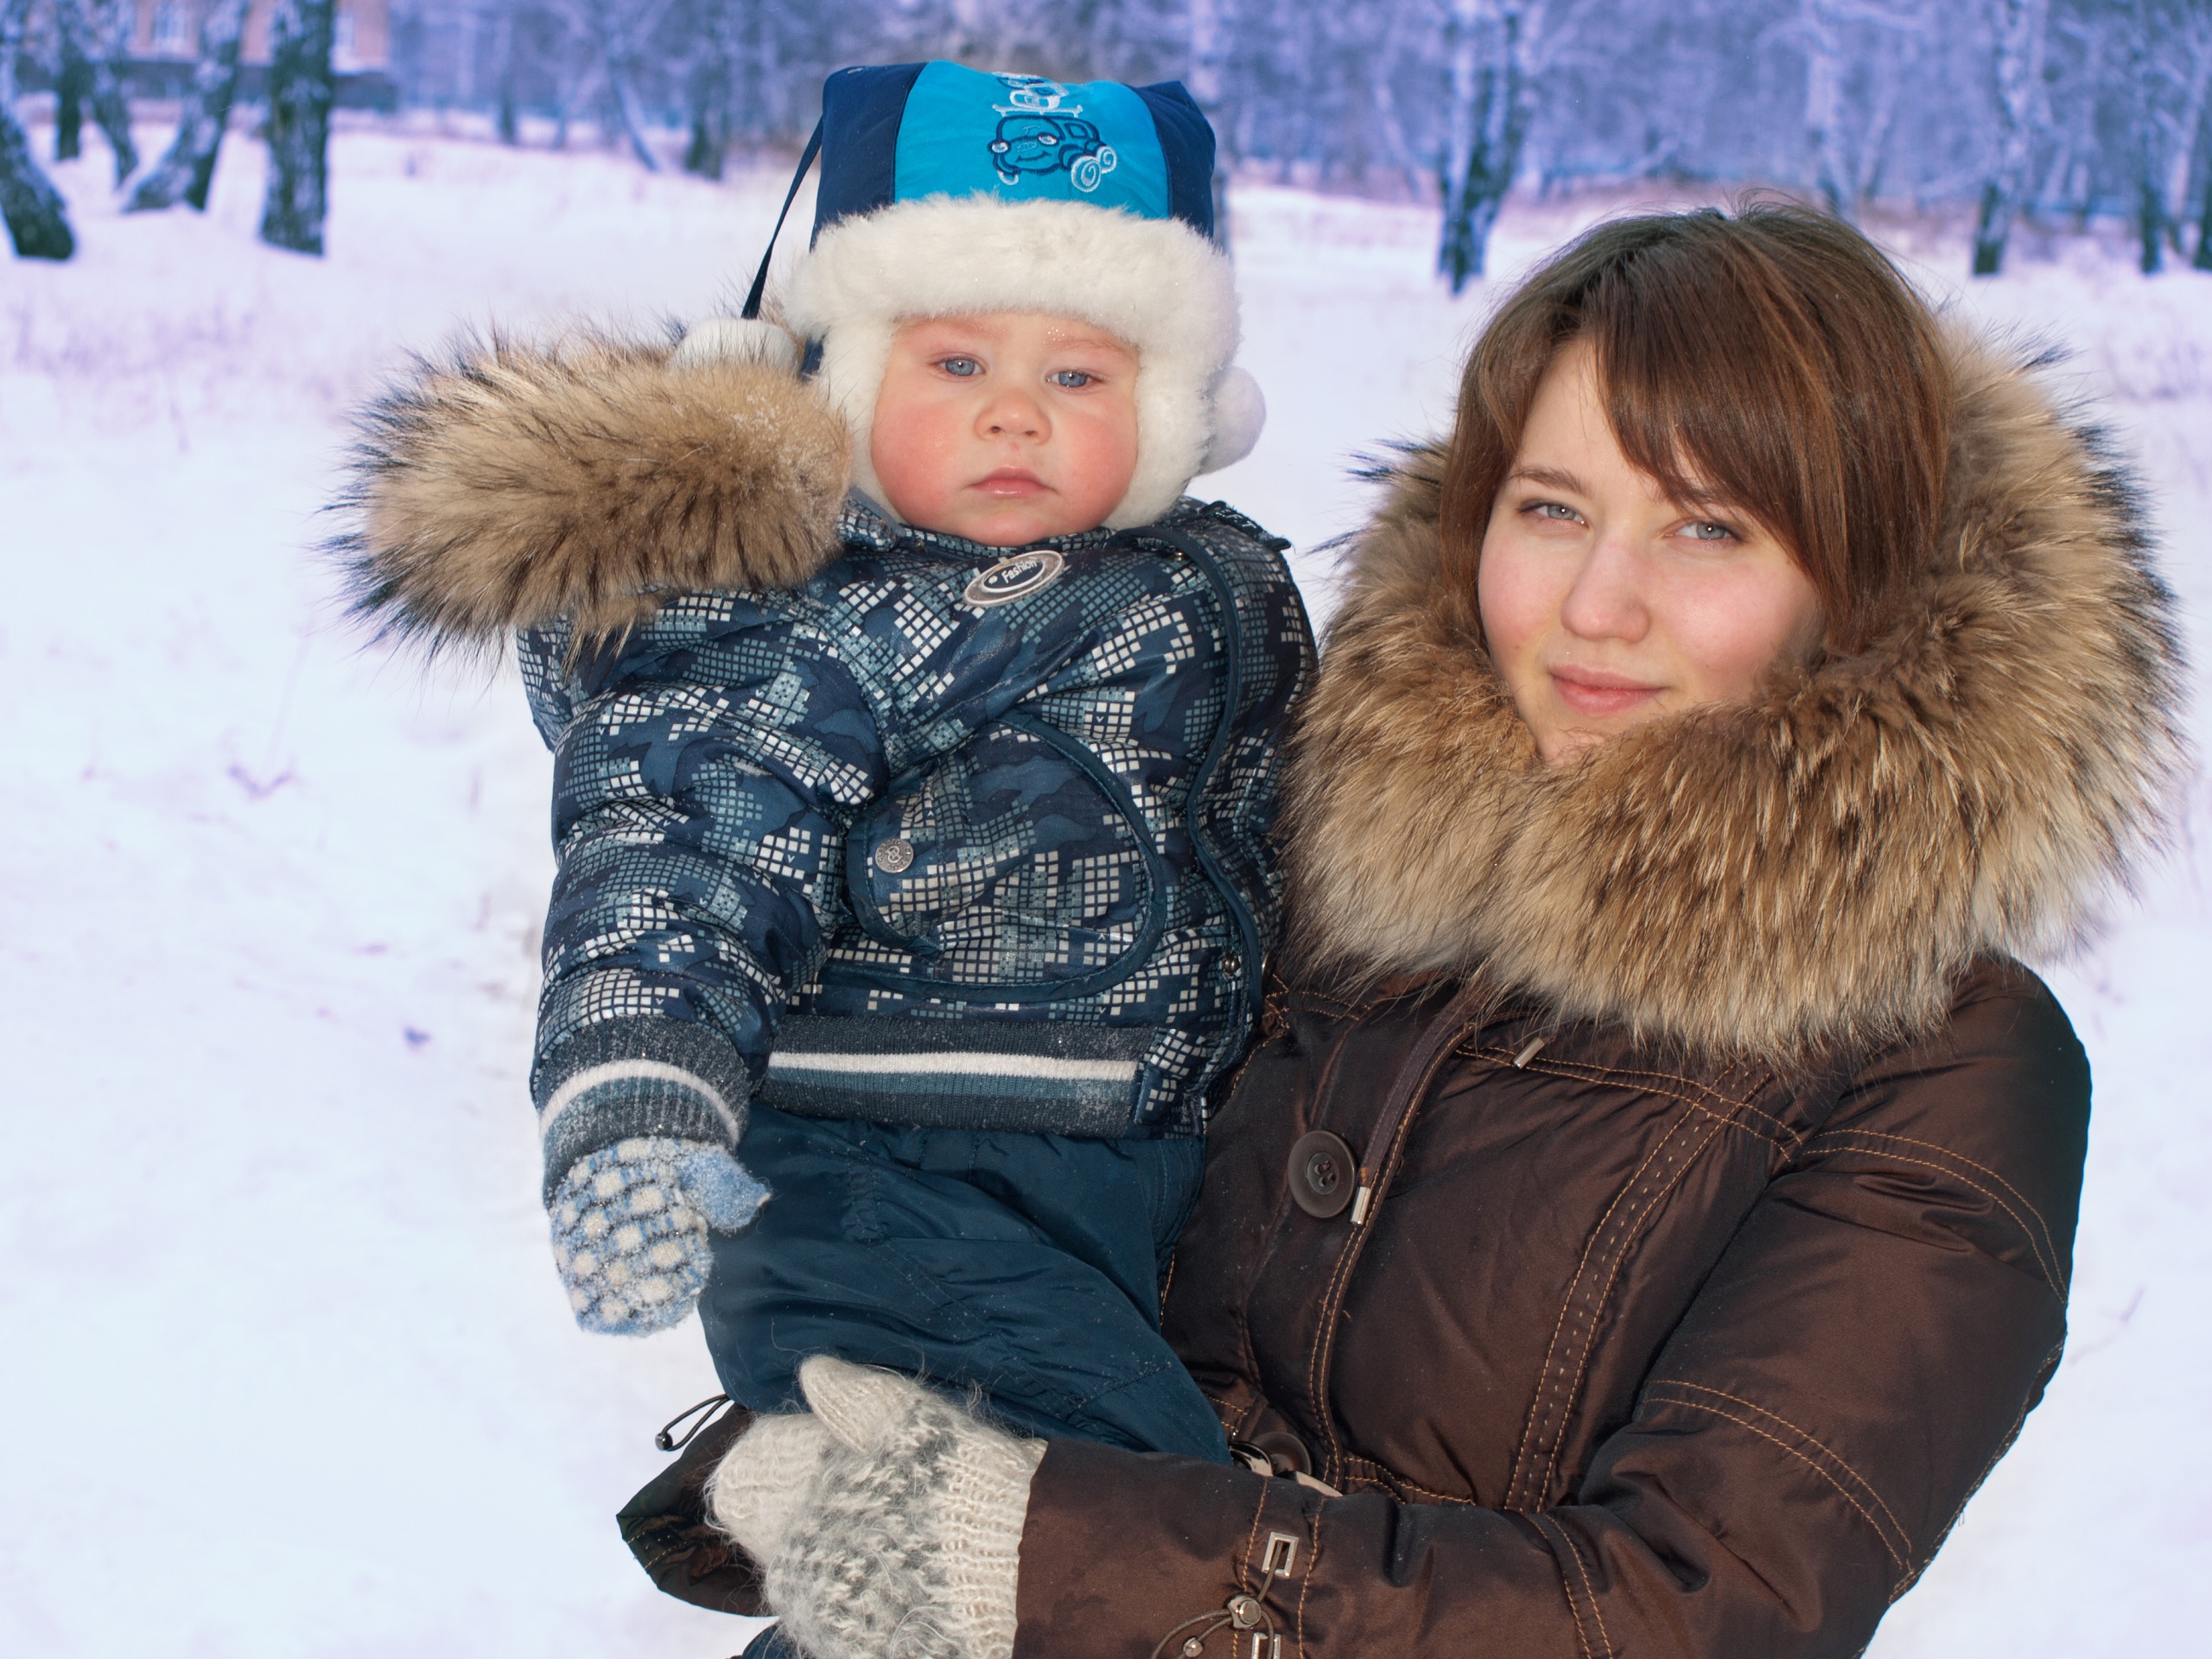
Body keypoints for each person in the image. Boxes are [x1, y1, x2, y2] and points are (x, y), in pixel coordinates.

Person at [672, 204, 2184, 1659]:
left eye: (1708, 528)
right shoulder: (1301, 851)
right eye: (1552, 508)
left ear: (1860, 592)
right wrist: (740, 520)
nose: (1597, 605)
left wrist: (1036, 1554)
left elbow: (1695, 1610)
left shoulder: (1942, 1062)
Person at [338, 61, 1313, 1499]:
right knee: (1126, 1525)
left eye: (1078, 376)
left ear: (1179, 410)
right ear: (841, 385)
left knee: (1061, 1533)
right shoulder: (807, 617)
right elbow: (686, 837)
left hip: (1124, 1168)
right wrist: (640, 1093)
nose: (1016, 416)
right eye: (957, 366)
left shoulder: (1196, 584)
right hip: (878, 1176)